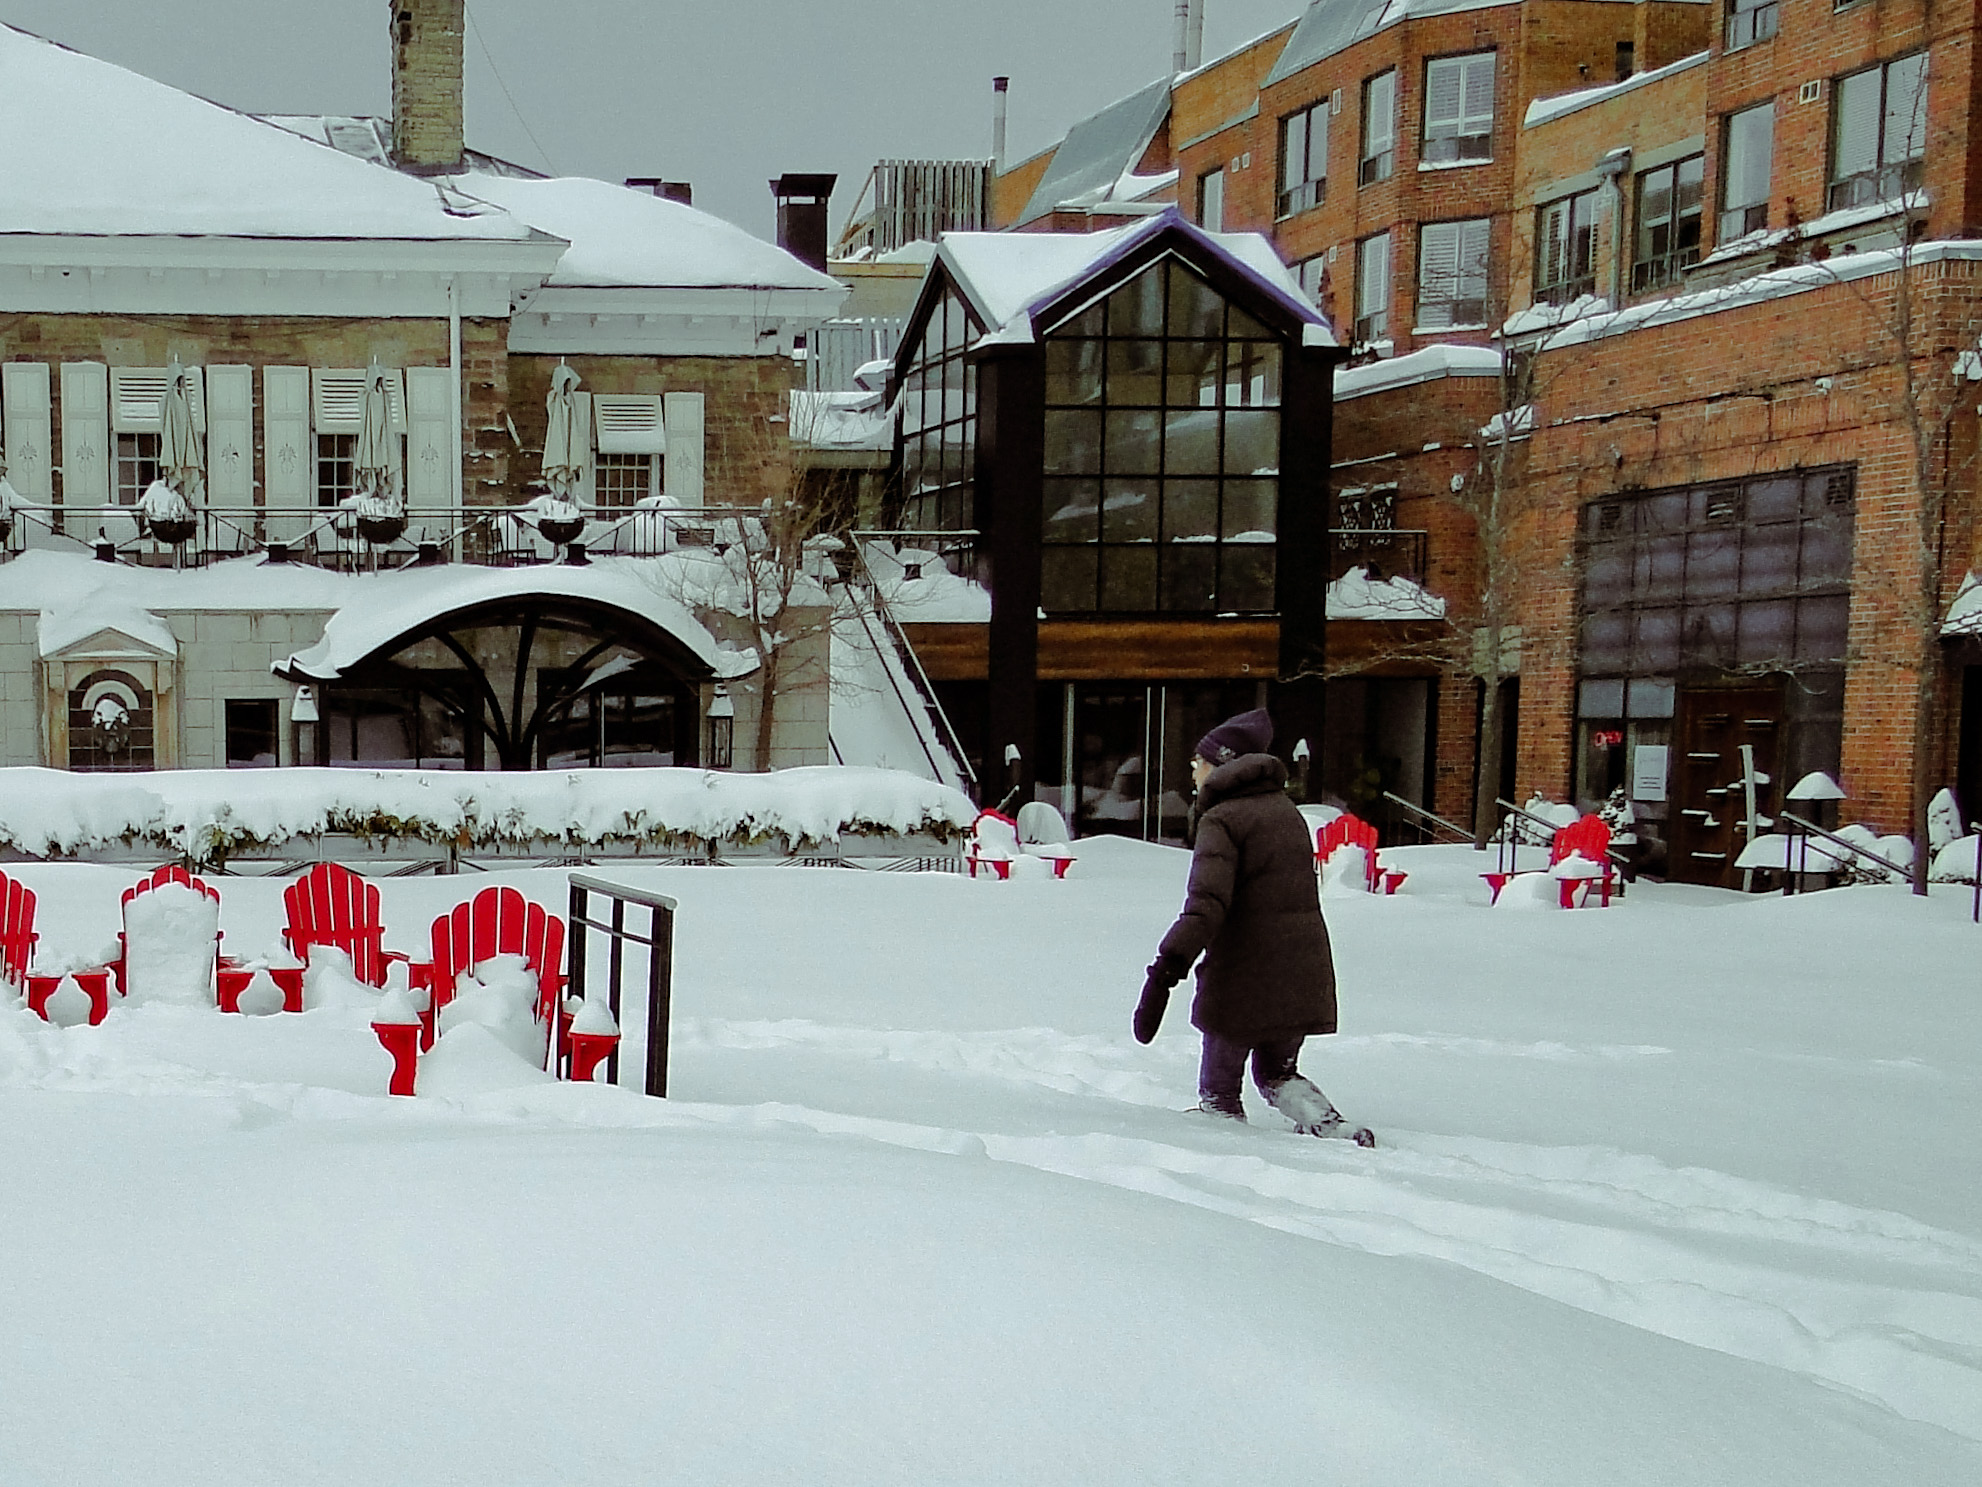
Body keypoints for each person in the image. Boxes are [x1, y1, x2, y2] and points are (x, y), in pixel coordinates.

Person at [1132, 707, 1373, 1146]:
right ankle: (1331, 1126)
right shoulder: (1286, 813)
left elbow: (1206, 907)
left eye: (1199, 759)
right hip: (1303, 971)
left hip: (1243, 981)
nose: (1193, 767)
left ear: (1223, 763)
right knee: (1276, 1072)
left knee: (1220, 1094)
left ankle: (1232, 1165)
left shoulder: (1222, 819)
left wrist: (1167, 968)